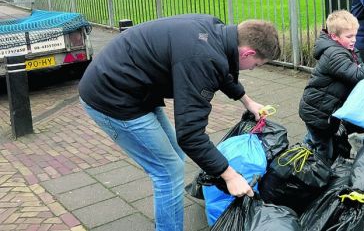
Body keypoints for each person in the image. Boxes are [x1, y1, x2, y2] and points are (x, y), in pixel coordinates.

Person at [78, 15, 280, 231]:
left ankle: (167, 212)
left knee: (175, 155)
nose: (252, 69)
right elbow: (190, 135)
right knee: (168, 170)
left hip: (135, 86)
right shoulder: (202, 58)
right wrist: (230, 176)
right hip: (112, 97)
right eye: (256, 65)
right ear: (248, 53)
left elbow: (223, 72)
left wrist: (247, 101)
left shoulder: (216, 31)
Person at [298, 10, 364, 160]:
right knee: (325, 151)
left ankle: (305, 152)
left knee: (317, 139)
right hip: (318, 113)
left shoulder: (346, 48)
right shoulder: (334, 54)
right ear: (334, 36)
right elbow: (358, 76)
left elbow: (360, 67)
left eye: (355, 35)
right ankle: (318, 175)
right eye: (349, 36)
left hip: (325, 111)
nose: (353, 40)